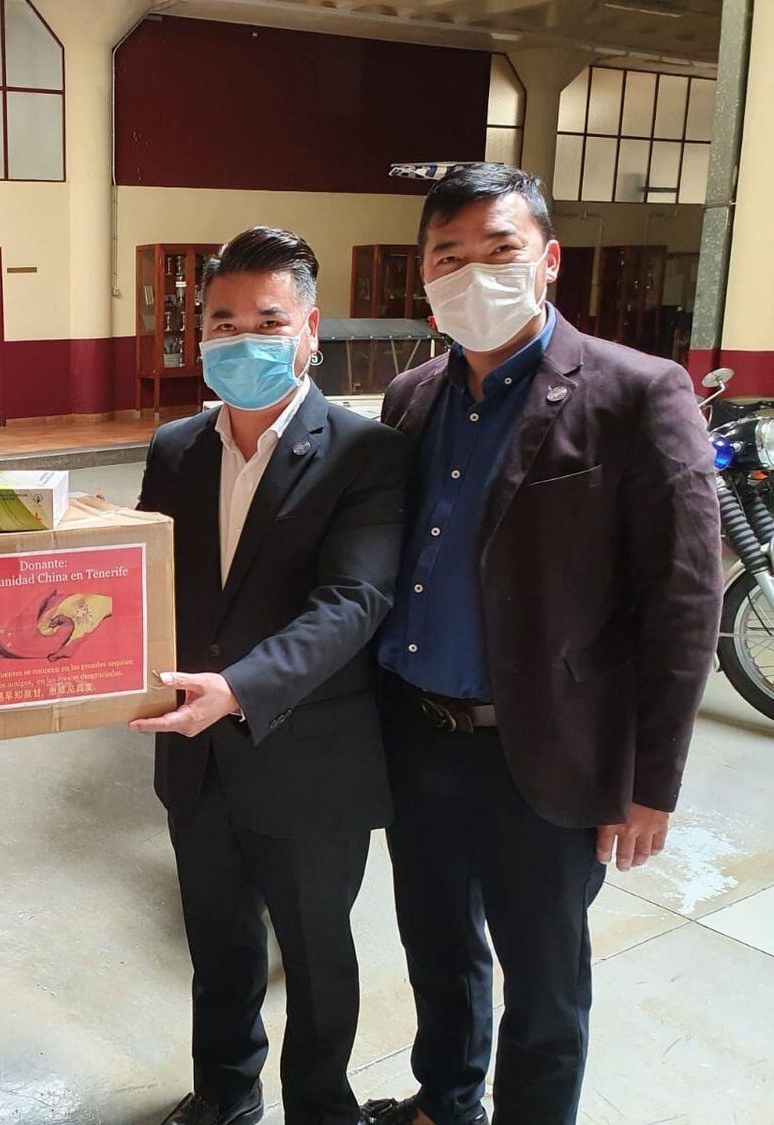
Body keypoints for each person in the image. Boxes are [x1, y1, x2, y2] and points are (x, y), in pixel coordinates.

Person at [362, 164, 722, 1125]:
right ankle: (446, 1098)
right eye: (449, 255)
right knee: (436, 945)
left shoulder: (638, 393)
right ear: (425, 275)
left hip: (553, 751)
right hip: (418, 736)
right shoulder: (411, 397)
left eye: (500, 248)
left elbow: (684, 599)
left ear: (548, 259)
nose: (472, 272)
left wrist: (652, 783)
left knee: (546, 978)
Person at [134, 227, 409, 1125]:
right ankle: (224, 1091)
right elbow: (140, 583)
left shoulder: (363, 453)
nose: (242, 337)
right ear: (199, 335)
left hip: (308, 762)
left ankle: (320, 1109)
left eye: (267, 318)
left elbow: (353, 601)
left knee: (318, 958)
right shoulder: (175, 449)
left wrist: (241, 687)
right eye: (222, 320)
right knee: (218, 947)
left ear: (309, 329)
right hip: (197, 757)